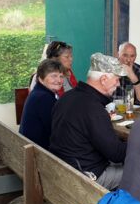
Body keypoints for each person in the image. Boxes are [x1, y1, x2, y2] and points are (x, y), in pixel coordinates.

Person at [50, 53, 127, 190]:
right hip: (83, 178)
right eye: (117, 79)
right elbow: (116, 154)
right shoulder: (93, 108)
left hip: (63, 170)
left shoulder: (67, 97)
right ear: (104, 79)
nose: (118, 84)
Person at [19, 59, 64, 149]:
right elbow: (57, 131)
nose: (59, 80)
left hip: (30, 146)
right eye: (54, 76)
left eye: (61, 76)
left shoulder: (38, 92)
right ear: (41, 78)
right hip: (38, 151)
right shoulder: (43, 98)